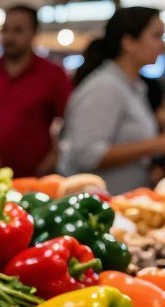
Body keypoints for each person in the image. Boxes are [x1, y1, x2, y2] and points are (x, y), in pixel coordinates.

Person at [62, 7, 165, 194]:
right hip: (99, 205)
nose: (162, 45)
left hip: (123, 201)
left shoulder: (134, 86)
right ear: (129, 42)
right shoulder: (105, 87)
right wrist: (156, 145)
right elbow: (87, 154)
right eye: (156, 36)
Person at [0, 6, 72, 177]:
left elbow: (71, 122)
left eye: (18, 30)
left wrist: (55, 156)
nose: (9, 37)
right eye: (5, 30)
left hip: (35, 179)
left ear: (34, 33)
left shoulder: (53, 75)